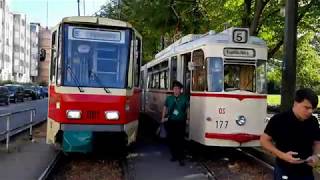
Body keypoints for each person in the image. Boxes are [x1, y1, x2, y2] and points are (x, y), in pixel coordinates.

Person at [260, 88, 320, 180]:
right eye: (307, 107)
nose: (310, 111)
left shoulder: (313, 121)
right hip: (284, 170)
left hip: (306, 171)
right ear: (295, 103)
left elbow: (317, 142)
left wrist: (316, 156)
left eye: (313, 108)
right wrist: (282, 155)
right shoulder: (279, 119)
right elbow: (264, 140)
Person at [161, 80, 189, 166]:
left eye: (177, 89)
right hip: (171, 121)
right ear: (173, 90)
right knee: (171, 139)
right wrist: (163, 117)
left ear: (180, 90)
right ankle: (174, 155)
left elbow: (188, 108)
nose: (176, 90)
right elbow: (165, 107)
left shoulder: (184, 98)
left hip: (181, 122)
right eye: (174, 88)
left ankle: (181, 158)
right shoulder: (169, 98)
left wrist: (188, 118)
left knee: (180, 140)